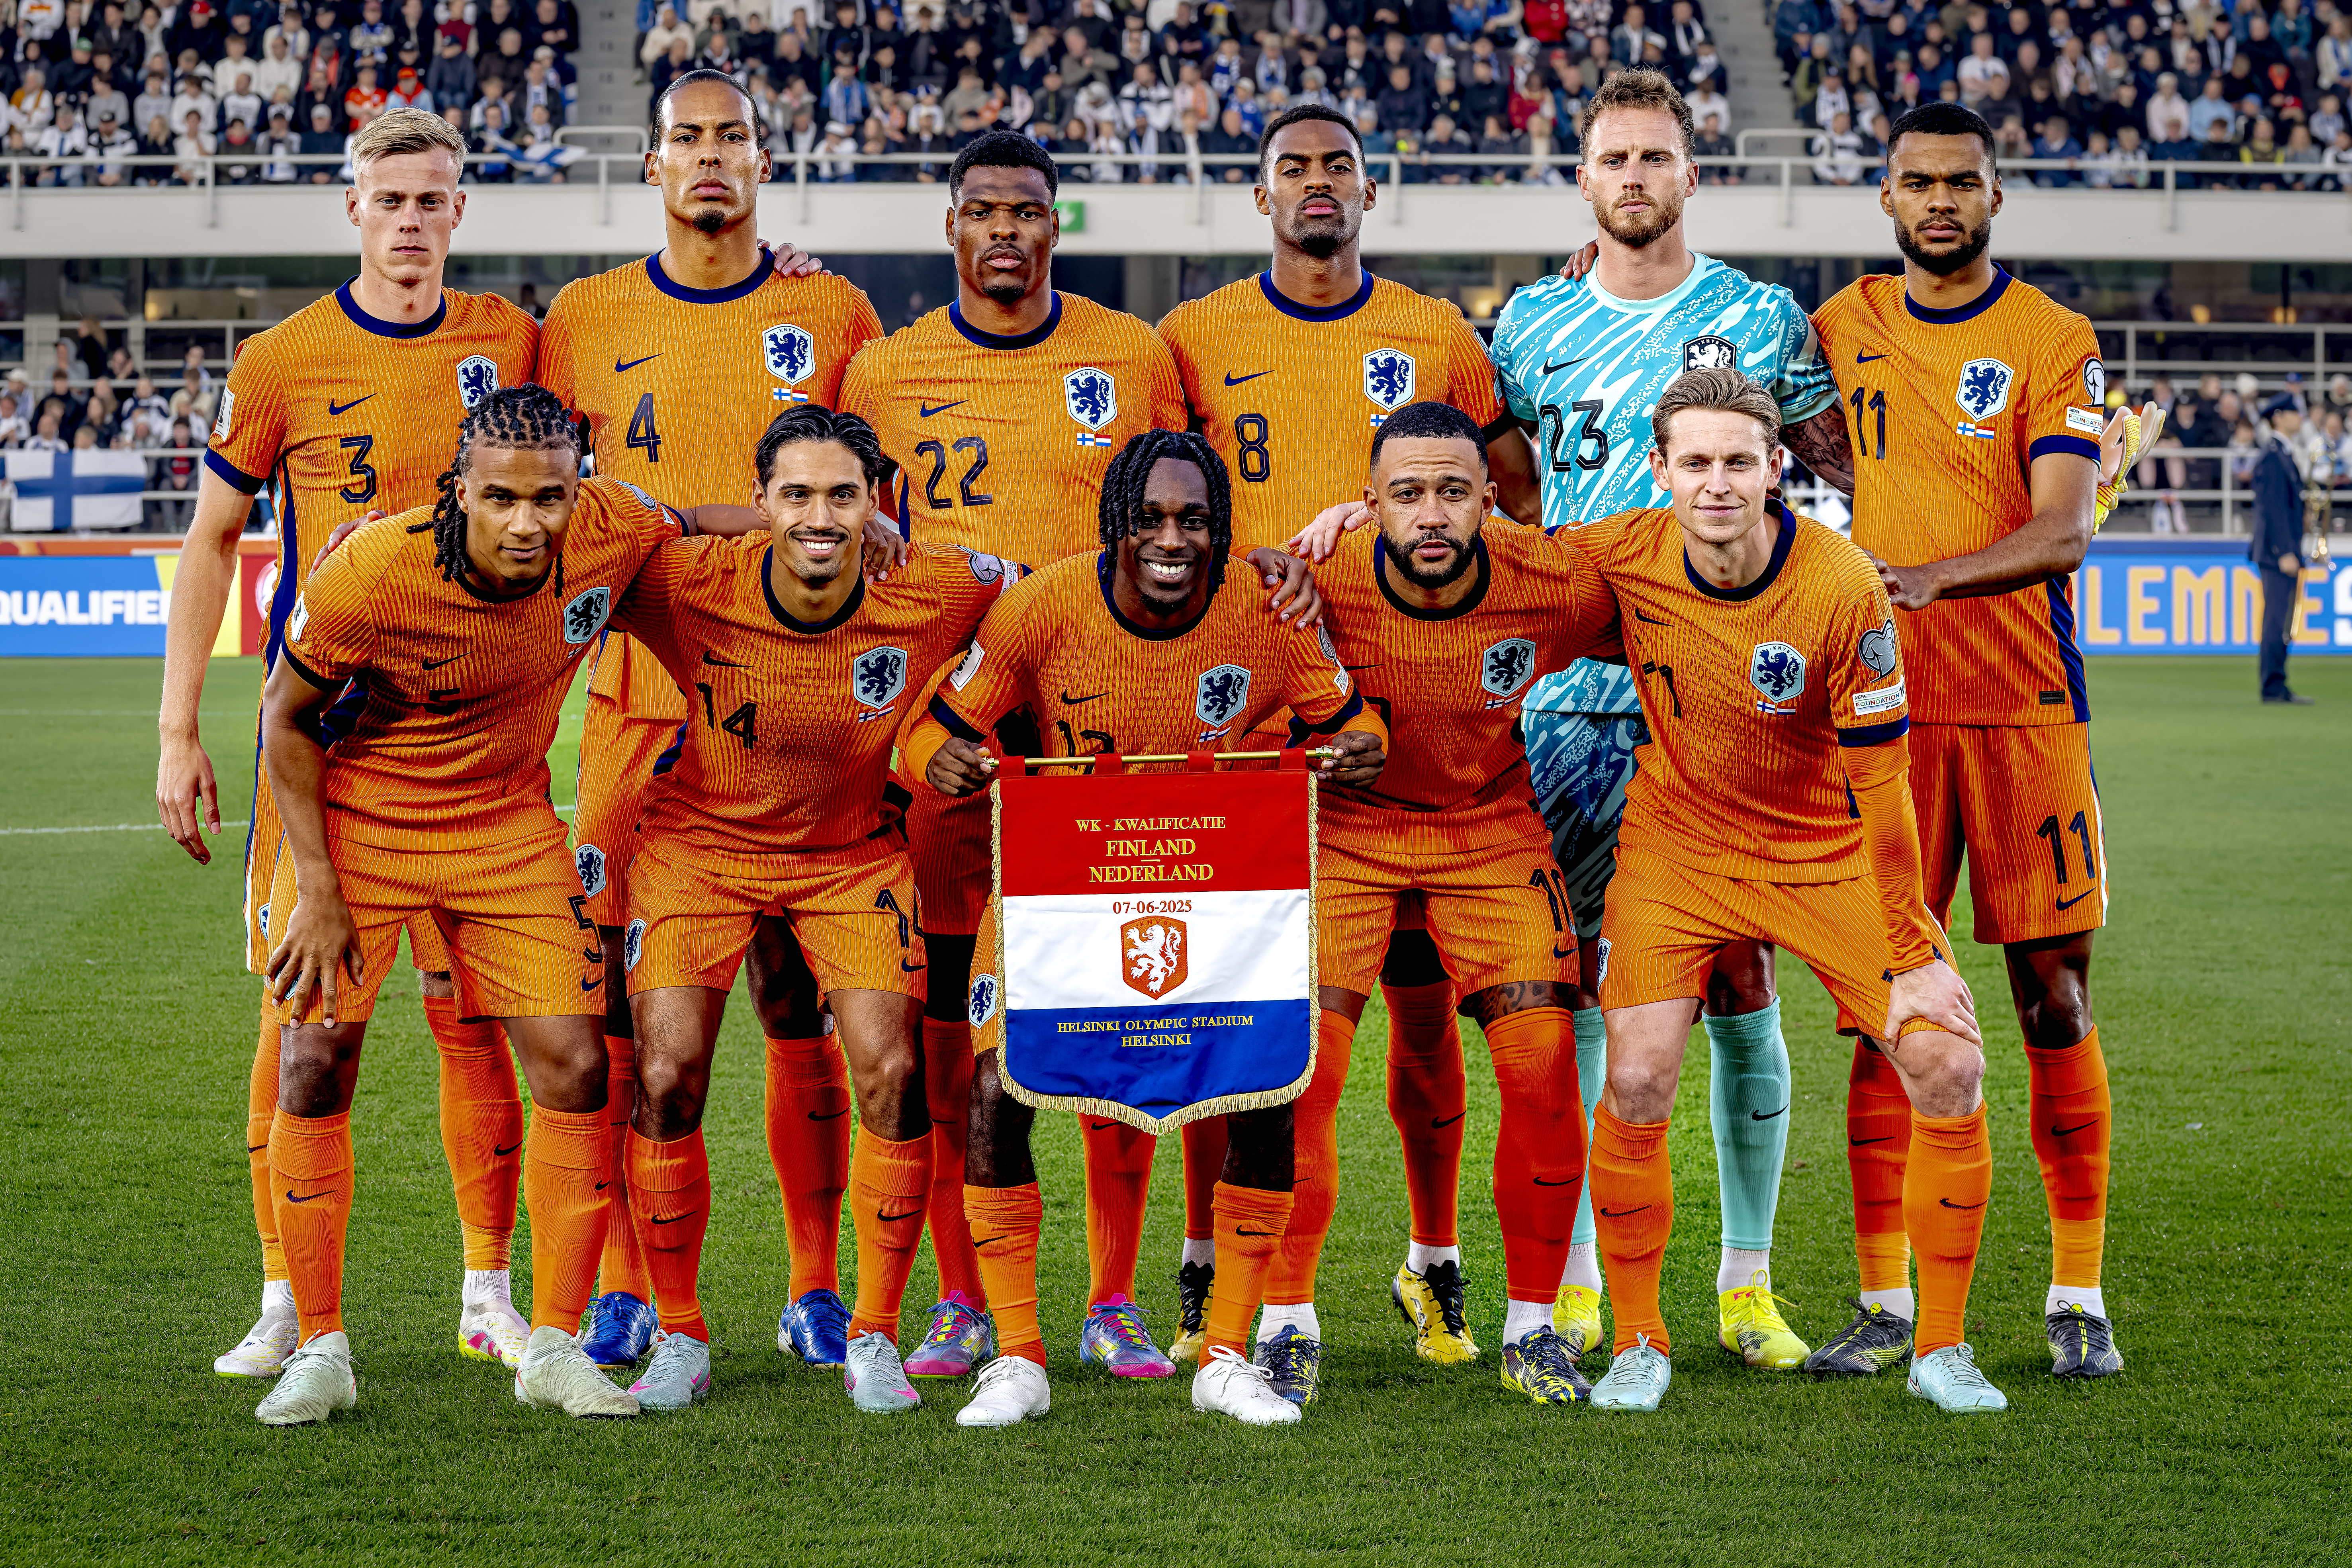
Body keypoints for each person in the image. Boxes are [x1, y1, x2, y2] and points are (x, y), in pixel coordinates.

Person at [248, 385, 746, 1426]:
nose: (530, 524)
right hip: (358, 820)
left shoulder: (609, 525)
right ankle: (322, 1346)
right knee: (315, 1056)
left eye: (552, 499)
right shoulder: (373, 570)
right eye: (505, 500)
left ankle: (555, 1346)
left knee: (573, 1062)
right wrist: (323, 893)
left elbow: (695, 521)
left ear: (580, 490)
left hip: (505, 824)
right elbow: (285, 720)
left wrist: (821, 523)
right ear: (460, 490)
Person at [156, 108, 545, 1384]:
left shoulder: (510, 340)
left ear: (460, 212)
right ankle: (284, 1295)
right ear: (353, 210)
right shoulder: (282, 358)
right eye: (392, 201)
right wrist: (179, 731)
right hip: (324, 740)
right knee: (302, 1020)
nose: (413, 221)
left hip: (479, 739)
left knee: (474, 1023)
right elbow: (212, 540)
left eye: (434, 200)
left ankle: (489, 1291)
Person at [901, 428, 1387, 1429]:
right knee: (994, 1088)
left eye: (1194, 520)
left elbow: (1355, 722)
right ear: (1113, 525)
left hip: (1218, 900)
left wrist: (1351, 753)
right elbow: (934, 728)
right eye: (1151, 518)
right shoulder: (1042, 604)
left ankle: (1225, 1354)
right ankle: (1019, 1358)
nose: (1172, 538)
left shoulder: (1265, 607)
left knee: (1266, 1088)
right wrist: (931, 765)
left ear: (1220, 530)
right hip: (1059, 895)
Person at [1158, 100, 1541, 1366]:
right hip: (1249, 721)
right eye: (1290, 169)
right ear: (1254, 194)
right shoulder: (1191, 337)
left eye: (1338, 167)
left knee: (1427, 1020)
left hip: (1412, 720)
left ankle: (1432, 1259)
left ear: (1369, 191)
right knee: (1253, 1025)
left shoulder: (1436, 333)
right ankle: (1224, 1262)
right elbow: (1156, 499)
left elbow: (1509, 496)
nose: (1315, 184)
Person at [1481, 67, 1851, 1369]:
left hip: (1727, 705)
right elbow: (1502, 487)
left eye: (1653, 157)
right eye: (1611, 160)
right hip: (1575, 704)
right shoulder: (1527, 325)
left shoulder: (1757, 318)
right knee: (1589, 987)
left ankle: (1744, 1287)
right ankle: (1579, 1280)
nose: (1632, 177)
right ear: (1581, 180)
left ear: (1691, 175)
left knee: (1741, 979)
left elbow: (1845, 470)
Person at [837, 131, 1202, 1381]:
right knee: (949, 1010)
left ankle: (1110, 1300)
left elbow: (1184, 519)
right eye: (983, 210)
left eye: (1028, 211)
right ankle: (959, 1295)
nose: (1006, 230)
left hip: (1102, 726)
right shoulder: (879, 367)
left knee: (1118, 1009)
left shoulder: (1130, 352)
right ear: (950, 227)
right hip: (948, 734)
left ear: (1059, 227)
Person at [1565, 369, 2001, 1418]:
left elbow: (1885, 788)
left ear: (1777, 469)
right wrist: (1352, 514)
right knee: (1635, 1082)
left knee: (1946, 1058)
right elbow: (1494, 566)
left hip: (1824, 847)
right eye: (1696, 462)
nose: (1716, 483)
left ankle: (1941, 1348)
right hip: (1676, 847)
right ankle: (1638, 1341)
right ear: (1661, 469)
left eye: (1738, 462)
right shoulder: (1618, 551)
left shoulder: (1842, 584)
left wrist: (1909, 953)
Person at [537, 67, 875, 1374]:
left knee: (799, 996)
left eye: (732, 135)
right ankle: (626, 1278)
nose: (711, 156)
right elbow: (541, 496)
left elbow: (865, 500)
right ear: (653, 164)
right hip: (636, 706)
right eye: (688, 138)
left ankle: (808, 1282)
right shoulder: (581, 317)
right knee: (631, 1014)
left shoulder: (829, 306)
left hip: (796, 708)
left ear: (764, 158)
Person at [1809, 100, 2140, 1379]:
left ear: (1994, 197)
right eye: (1917, 183)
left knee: (2051, 996)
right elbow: (1728, 390)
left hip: (2025, 714)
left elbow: (2064, 529)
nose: (1939, 200)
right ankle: (1886, 1300)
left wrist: (1928, 579)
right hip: (1884, 721)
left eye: (1962, 182)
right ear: (1886, 200)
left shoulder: (2054, 337)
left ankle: (2077, 1295)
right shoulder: (1839, 325)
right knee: (1885, 1008)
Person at [608, 405, 1017, 1413]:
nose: (819, 516)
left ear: (875, 504)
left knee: (889, 1069)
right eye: (795, 495)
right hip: (698, 851)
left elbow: (1051, 597)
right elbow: (572, 543)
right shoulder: (683, 579)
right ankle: (680, 1332)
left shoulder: (937, 584)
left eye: (842, 494)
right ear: (759, 505)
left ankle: (872, 1334)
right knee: (665, 1074)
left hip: (848, 858)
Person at [1303, 399, 1621, 1404]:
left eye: (1452, 491)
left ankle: (1534, 1327)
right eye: (1406, 495)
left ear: (1493, 500)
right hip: (1345, 834)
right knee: (1298, 1074)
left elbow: (1666, 607)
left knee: (1536, 1064)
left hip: (1487, 828)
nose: (1430, 513)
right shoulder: (1311, 579)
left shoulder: (1550, 583)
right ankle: (1282, 1322)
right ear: (1367, 506)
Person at [2250, 395, 2314, 705]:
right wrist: (2284, 550)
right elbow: (2272, 509)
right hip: (2278, 554)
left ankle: (2278, 683)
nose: (2299, 418)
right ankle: (2273, 686)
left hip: (2283, 550)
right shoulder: (2274, 456)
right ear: (2278, 417)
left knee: (2284, 619)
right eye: (2293, 412)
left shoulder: (2281, 454)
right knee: (2278, 619)